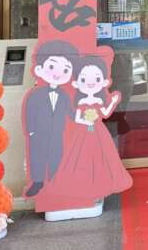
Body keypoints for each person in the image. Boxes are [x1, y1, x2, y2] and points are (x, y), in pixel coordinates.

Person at [47, 55, 133, 201]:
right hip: (84, 133)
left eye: (97, 79)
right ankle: (83, 187)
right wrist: (87, 121)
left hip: (97, 132)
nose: (91, 83)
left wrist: (113, 101)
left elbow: (105, 113)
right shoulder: (79, 101)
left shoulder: (98, 100)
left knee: (99, 158)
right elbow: (76, 117)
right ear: (76, 83)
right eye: (84, 79)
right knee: (82, 158)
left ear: (104, 81)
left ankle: (97, 186)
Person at [23, 40, 77, 198]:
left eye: (66, 69)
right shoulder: (35, 95)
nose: (58, 73)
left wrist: (87, 119)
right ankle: (37, 182)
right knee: (37, 157)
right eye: (52, 67)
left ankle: (54, 180)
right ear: (39, 69)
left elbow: (71, 113)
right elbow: (29, 113)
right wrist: (31, 132)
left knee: (56, 156)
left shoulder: (64, 95)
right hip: (38, 133)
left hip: (57, 133)